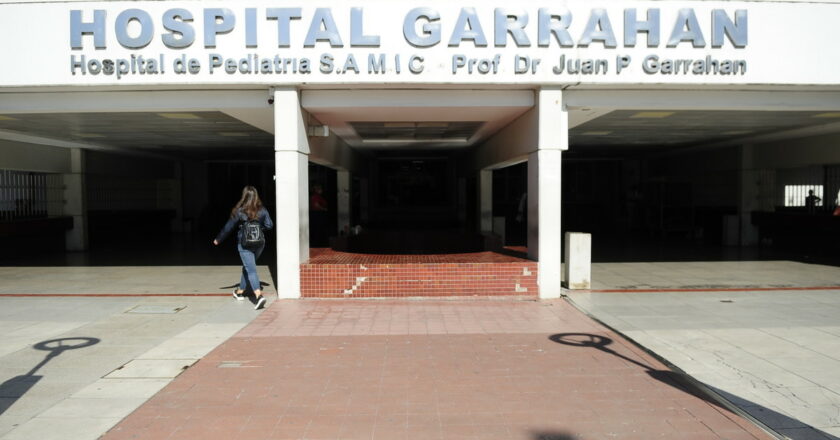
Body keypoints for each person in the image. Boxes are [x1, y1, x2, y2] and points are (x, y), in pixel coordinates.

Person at [213, 186, 273, 310]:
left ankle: (258, 296)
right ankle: (239, 291)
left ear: (244, 196)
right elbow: (269, 225)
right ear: (256, 196)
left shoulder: (239, 211)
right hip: (259, 243)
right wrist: (258, 228)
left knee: (251, 269)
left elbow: (228, 227)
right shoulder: (262, 210)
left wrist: (218, 239)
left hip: (244, 243)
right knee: (248, 266)